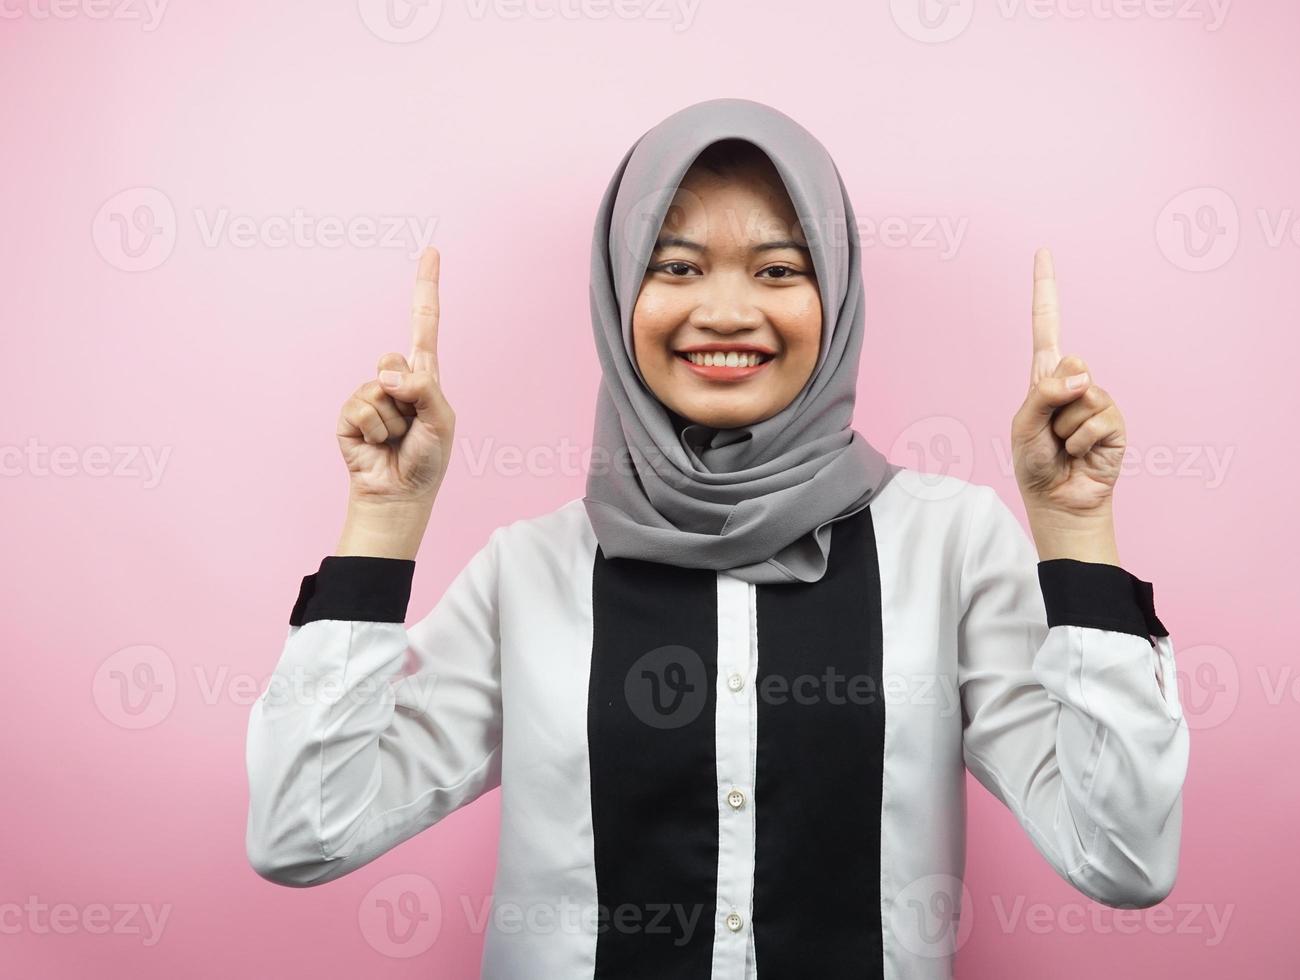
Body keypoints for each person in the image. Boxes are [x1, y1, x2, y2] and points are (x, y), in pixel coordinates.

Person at [245, 97, 1189, 980]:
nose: (728, 312)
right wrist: (383, 520)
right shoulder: (529, 574)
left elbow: (1123, 855)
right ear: (621, 295)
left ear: (838, 297)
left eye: (779, 269)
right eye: (676, 265)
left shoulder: (950, 549)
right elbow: (302, 833)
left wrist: (1076, 534)